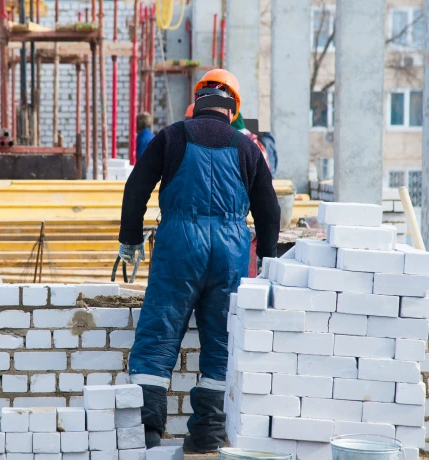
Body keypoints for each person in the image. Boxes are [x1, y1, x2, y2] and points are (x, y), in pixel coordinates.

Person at [117, 69, 280, 452]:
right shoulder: (246, 148)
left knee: (159, 334)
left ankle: (147, 435)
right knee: (220, 342)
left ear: (197, 101)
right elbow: (269, 209)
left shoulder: (172, 136)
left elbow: (137, 185)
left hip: (180, 246)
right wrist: (269, 259)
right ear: (232, 109)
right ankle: (207, 435)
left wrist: (130, 238)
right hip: (230, 252)